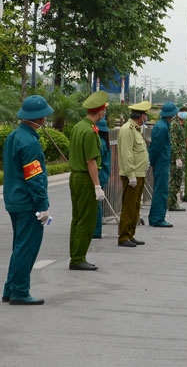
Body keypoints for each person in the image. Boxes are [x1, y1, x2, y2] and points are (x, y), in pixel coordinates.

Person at [3, 95, 54, 305]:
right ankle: (20, 291)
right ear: (40, 119)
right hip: (28, 203)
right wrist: (42, 206)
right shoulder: (31, 142)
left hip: (14, 200)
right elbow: (34, 178)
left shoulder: (14, 136)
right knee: (27, 248)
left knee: (19, 246)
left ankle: (10, 288)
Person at [68, 91, 108, 270]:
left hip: (74, 177)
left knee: (77, 217)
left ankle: (75, 254)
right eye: (104, 111)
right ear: (100, 113)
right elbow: (91, 161)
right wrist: (97, 186)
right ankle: (78, 258)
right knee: (87, 219)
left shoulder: (78, 127)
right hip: (85, 178)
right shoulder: (91, 132)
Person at [117, 101, 152, 247]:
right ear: (141, 116)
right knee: (129, 206)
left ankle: (131, 234)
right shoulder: (128, 129)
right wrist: (131, 174)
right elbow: (126, 154)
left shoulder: (136, 129)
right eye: (146, 115)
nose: (146, 118)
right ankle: (124, 236)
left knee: (135, 206)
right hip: (132, 175)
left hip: (139, 173)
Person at [148, 102, 177, 227]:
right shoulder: (162, 127)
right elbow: (156, 147)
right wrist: (152, 161)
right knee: (161, 190)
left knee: (160, 189)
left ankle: (155, 216)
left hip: (162, 161)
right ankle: (158, 218)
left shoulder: (163, 125)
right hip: (161, 162)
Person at [93, 116, 112, 239]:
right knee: (97, 204)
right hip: (103, 175)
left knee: (95, 205)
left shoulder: (99, 142)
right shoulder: (104, 141)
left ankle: (95, 230)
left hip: (99, 175)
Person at [168, 105, 187, 212]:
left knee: (178, 180)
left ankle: (173, 201)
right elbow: (173, 142)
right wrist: (176, 157)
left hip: (181, 156)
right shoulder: (174, 124)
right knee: (174, 181)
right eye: (183, 111)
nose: (185, 114)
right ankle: (171, 203)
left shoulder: (182, 124)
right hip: (175, 157)